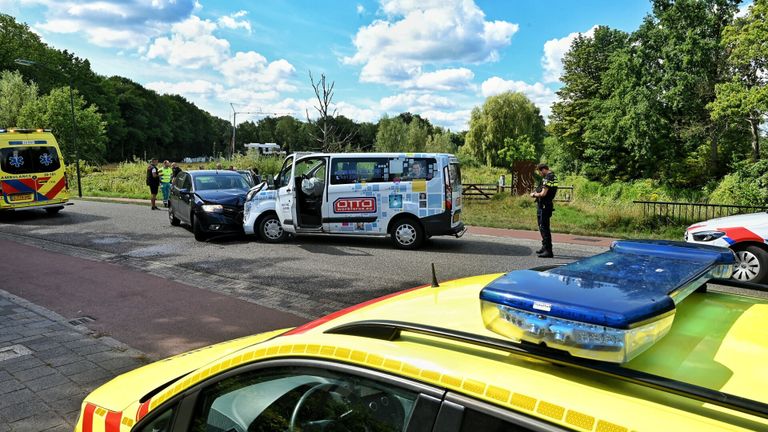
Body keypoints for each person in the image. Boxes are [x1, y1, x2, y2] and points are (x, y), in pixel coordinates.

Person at [529, 163, 558, 258]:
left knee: (544, 227)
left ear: (543, 170)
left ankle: (548, 251)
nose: (540, 174)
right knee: (541, 226)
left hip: (545, 205)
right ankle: (544, 246)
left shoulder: (548, 178)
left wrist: (533, 194)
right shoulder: (553, 177)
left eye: (540, 172)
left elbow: (543, 193)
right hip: (544, 205)